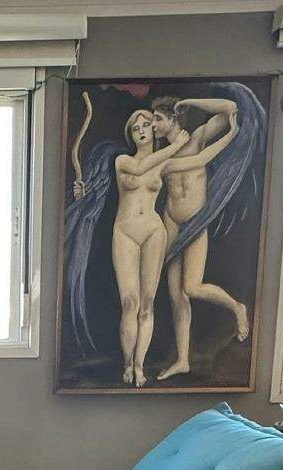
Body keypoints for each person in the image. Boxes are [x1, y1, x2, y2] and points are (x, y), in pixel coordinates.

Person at [150, 96, 250, 380]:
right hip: (171, 219)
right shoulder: (162, 155)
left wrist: (189, 101)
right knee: (175, 295)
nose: (153, 125)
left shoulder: (197, 138)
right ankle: (183, 360)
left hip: (195, 221)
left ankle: (237, 307)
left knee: (192, 287)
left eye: (158, 119)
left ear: (173, 119)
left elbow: (230, 108)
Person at [110, 110, 189, 386]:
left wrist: (230, 132)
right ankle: (127, 362)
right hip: (125, 232)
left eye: (146, 125)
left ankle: (139, 365)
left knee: (146, 303)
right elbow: (141, 168)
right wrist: (177, 145)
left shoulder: (164, 163)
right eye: (136, 128)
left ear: (154, 129)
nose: (142, 130)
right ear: (131, 134)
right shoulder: (123, 161)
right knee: (129, 302)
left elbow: (199, 161)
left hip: (154, 231)